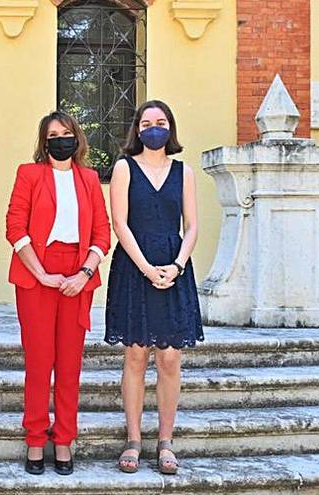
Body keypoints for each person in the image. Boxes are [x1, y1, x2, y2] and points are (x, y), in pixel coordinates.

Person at [5, 110, 111, 476]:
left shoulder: (89, 179)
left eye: (66, 132)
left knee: (69, 365)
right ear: (44, 140)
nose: (60, 138)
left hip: (77, 274)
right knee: (39, 363)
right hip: (36, 273)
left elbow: (102, 233)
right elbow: (15, 226)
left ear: (76, 138)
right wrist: (42, 273)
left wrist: (84, 273)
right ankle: (36, 438)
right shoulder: (30, 174)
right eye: (53, 134)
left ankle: (64, 438)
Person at [105, 100, 204, 475]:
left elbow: (192, 225)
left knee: (169, 358)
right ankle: (133, 439)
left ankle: (165, 441)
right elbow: (120, 223)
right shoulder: (124, 168)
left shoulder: (184, 172)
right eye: (147, 122)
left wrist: (177, 265)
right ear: (137, 129)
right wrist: (146, 268)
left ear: (170, 128)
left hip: (174, 265)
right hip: (135, 266)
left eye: (161, 122)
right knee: (135, 355)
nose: (154, 127)